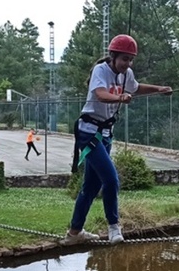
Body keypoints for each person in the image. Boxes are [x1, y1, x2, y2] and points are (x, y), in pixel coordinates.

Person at [63, 34, 172, 245]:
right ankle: (114, 227)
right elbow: (101, 94)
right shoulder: (101, 70)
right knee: (111, 179)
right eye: (124, 59)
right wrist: (120, 97)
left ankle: (74, 233)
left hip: (105, 133)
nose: (127, 63)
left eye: (130, 60)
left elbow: (136, 87)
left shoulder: (126, 74)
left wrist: (158, 89)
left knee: (91, 187)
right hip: (89, 133)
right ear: (113, 56)